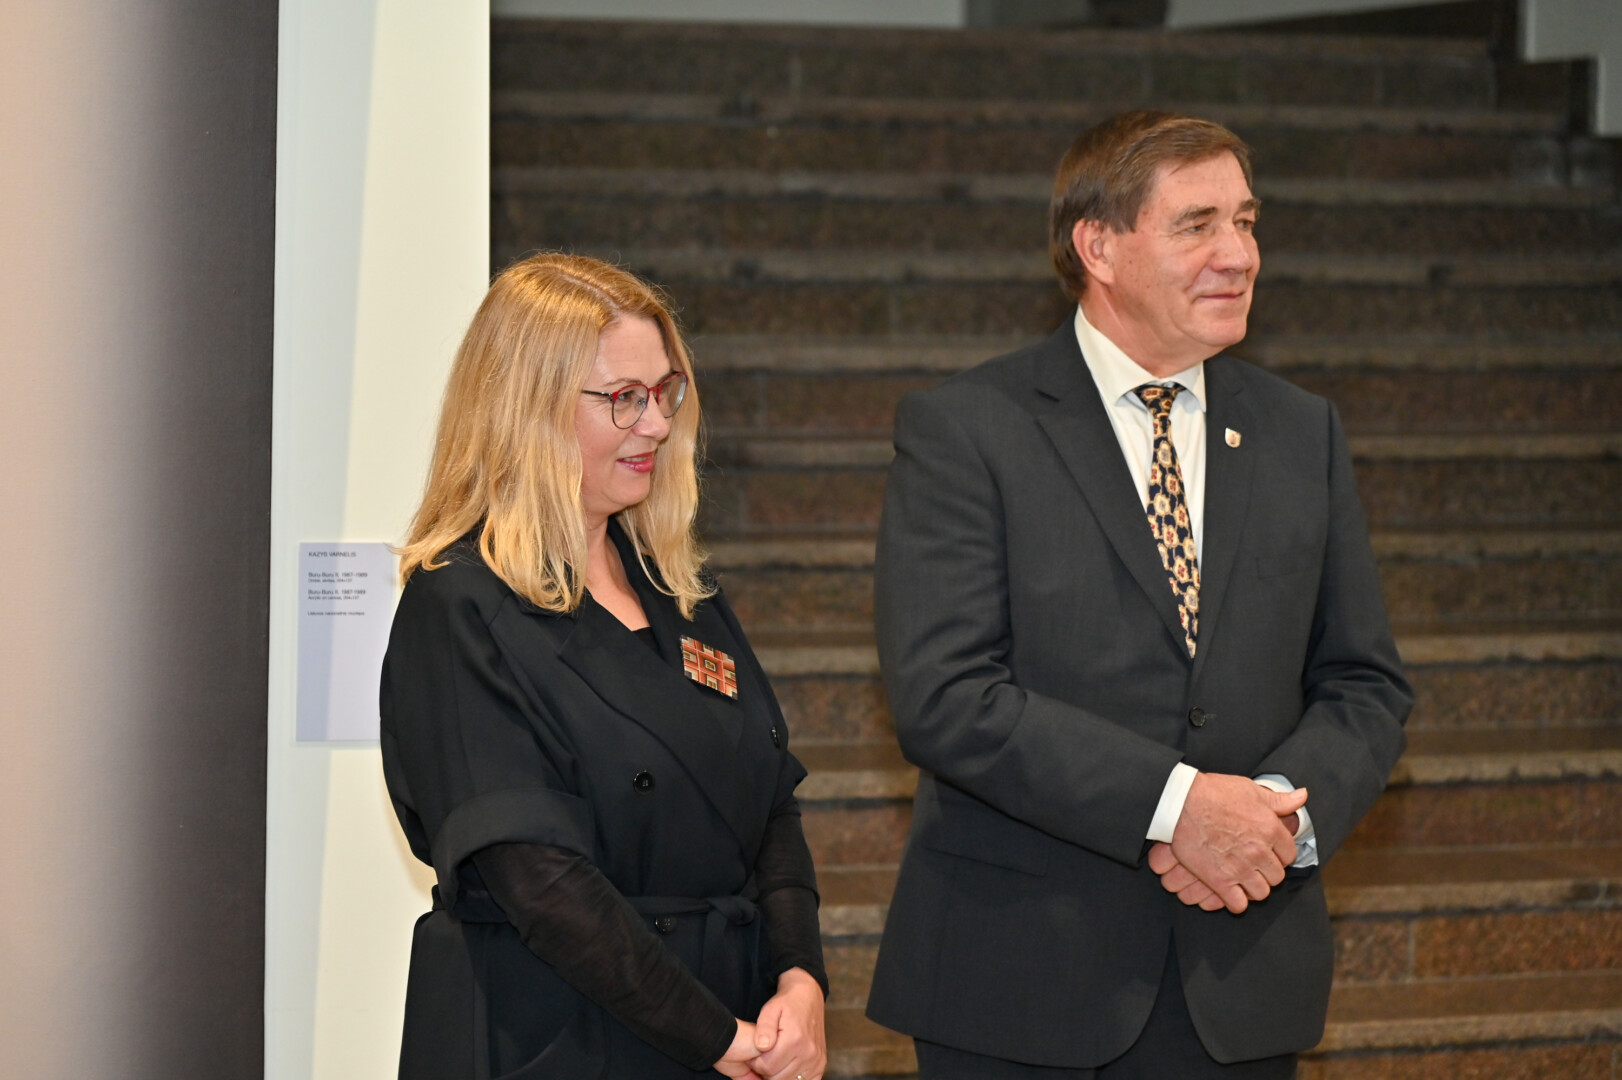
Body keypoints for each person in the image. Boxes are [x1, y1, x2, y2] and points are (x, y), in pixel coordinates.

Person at [864, 110, 1413, 1078]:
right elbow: (944, 695)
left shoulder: (1300, 431)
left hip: (1240, 976)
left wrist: (1268, 822)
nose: (1238, 254)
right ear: (1098, 246)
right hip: (1023, 982)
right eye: (1197, 224)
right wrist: (1176, 806)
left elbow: (1363, 682)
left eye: (1246, 221)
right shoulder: (968, 429)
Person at [380, 253, 828, 1080]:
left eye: (665, 392)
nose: (656, 424)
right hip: (556, 1037)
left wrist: (800, 979)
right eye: (625, 398)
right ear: (528, 408)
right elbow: (539, 882)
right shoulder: (459, 604)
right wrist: (716, 1036)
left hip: (723, 1025)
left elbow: (770, 804)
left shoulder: (677, 588)